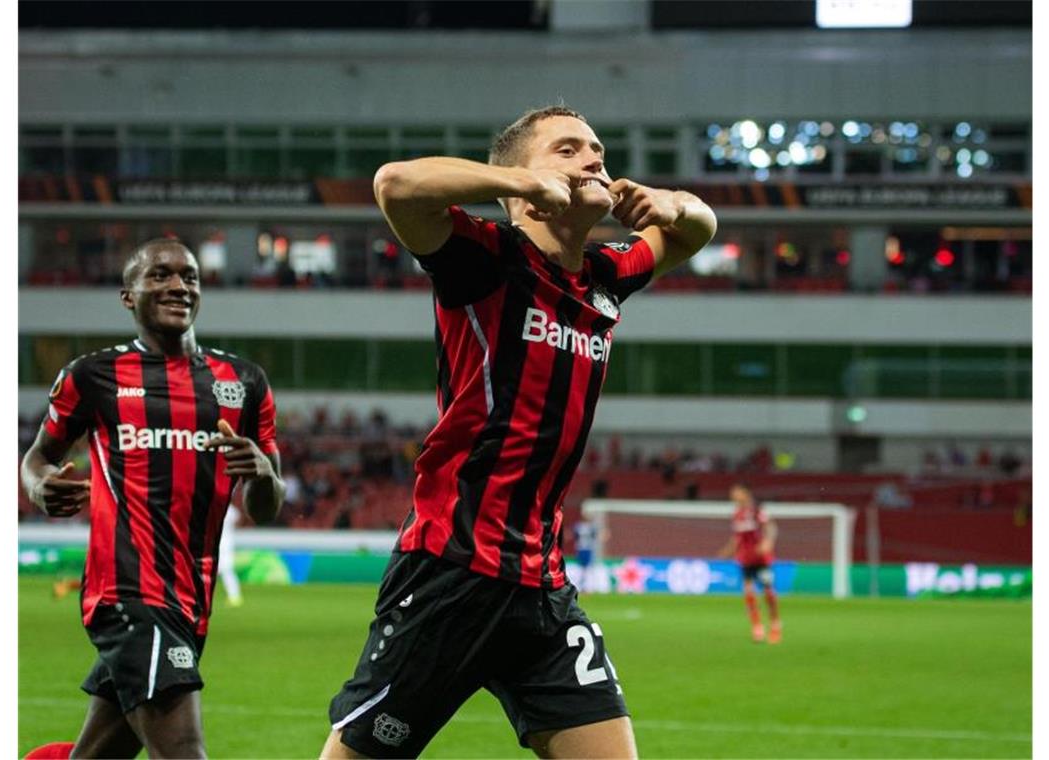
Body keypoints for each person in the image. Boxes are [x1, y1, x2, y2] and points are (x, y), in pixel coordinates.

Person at [320, 105, 717, 759]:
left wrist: (669, 202)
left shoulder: (604, 277)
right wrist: (517, 185)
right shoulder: (485, 260)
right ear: (523, 184)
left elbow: (699, 229)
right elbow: (394, 184)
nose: (594, 158)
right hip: (452, 573)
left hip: (542, 587)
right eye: (568, 149)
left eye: (598, 149)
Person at [20, 238, 286, 759]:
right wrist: (38, 486)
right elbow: (37, 457)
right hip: (129, 592)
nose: (178, 285)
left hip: (190, 599)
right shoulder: (92, 377)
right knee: (183, 751)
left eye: (189, 277)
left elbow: (265, 505)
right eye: (160, 275)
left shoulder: (244, 383)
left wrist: (261, 473)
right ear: (128, 296)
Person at [718, 483, 782, 644]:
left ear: (745, 494)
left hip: (761, 559)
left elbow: (771, 527)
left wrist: (768, 542)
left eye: (736, 492)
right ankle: (757, 627)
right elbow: (737, 537)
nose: (733, 495)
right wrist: (728, 550)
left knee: (768, 593)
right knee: (748, 592)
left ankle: (775, 624)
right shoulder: (737, 514)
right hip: (745, 558)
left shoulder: (757, 511)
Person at [218, 504, 244, 606]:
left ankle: (234, 596)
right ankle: (234, 596)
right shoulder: (232, 510)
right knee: (226, 570)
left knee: (226, 570)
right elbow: (238, 520)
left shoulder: (216, 506)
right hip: (227, 543)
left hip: (223, 544)